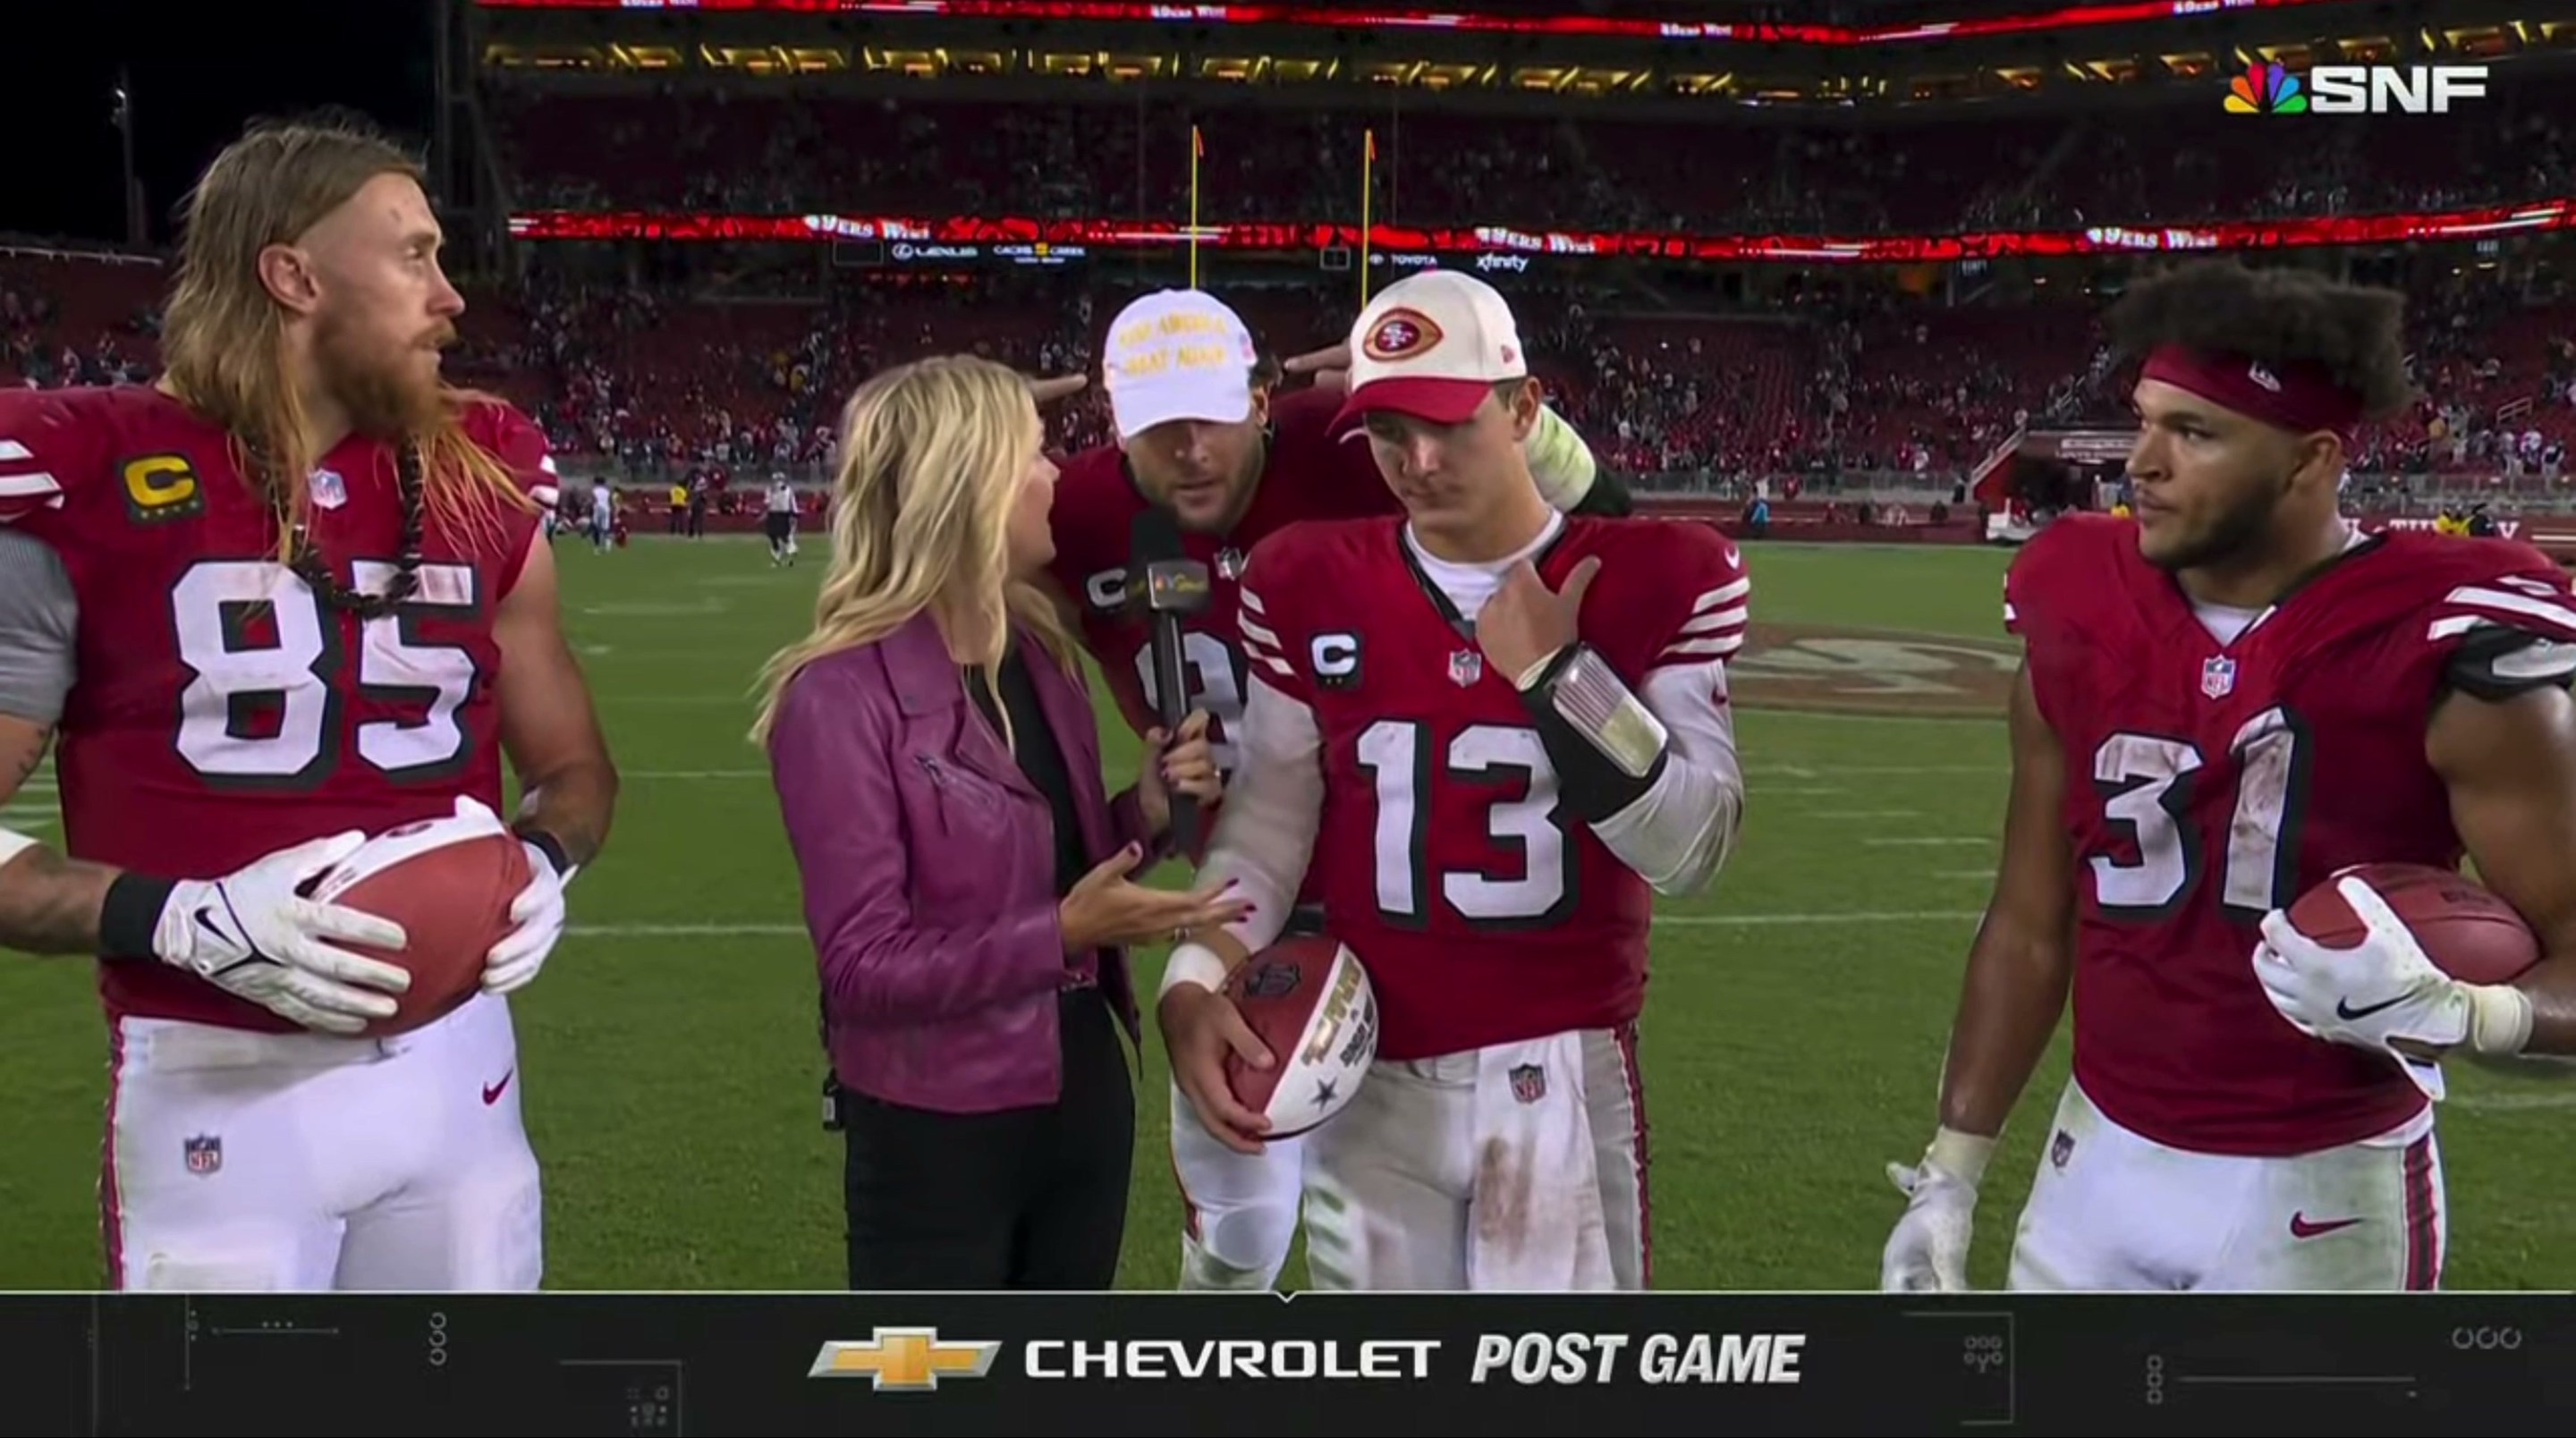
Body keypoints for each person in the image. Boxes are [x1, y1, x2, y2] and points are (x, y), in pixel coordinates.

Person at [0, 111, 617, 1291]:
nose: (452, 298)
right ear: (292, 275)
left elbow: (576, 770)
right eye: (413, 254)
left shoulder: (483, 469)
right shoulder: (95, 473)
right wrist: (175, 917)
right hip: (218, 1092)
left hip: (463, 1080)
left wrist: (543, 860)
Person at [1878, 260, 2576, 1296]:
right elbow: (2028, 921)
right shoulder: (2077, 601)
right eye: (2145, 420)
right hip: (2095, 1165)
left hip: (2326, 1188)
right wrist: (1952, 1171)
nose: (2142, 465)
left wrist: (2467, 1014)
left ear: (2312, 459)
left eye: (2195, 433)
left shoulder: (2449, 650)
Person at [1154, 270, 1750, 1290]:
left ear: (1522, 408)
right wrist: (1191, 984)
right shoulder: (1307, 579)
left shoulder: (1657, 574)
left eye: (1447, 425)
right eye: (1387, 431)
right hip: (1367, 1070)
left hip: (1559, 1072)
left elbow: (1693, 848)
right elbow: (1270, 828)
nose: (1417, 462)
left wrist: (1565, 680)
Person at [1038, 286, 1622, 1292]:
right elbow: (937, 558)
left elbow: (1602, 519)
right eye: (1156, 427)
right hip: (1236, 886)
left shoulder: (1353, 444)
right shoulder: (1084, 510)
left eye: (1211, 416)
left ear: (1264, 398)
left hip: (1405, 892)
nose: (1188, 450)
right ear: (1112, 426)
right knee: (1237, 1239)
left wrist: (1461, 391)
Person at [753, 354, 1246, 1291]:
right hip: (939, 1128)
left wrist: (1142, 813)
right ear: (967, 488)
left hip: (1085, 1100)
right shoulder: (838, 696)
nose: (1056, 474)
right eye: (1031, 455)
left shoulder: (1042, 657)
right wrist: (1064, 933)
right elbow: (862, 970)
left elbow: (1055, 860)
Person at [764, 472, 799, 566]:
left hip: (783, 514)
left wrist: (795, 513)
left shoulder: (788, 490)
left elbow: (792, 501)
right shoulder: (770, 490)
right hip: (773, 514)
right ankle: (777, 555)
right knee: (772, 535)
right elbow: (767, 502)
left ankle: (791, 550)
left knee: (784, 535)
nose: (777, 482)